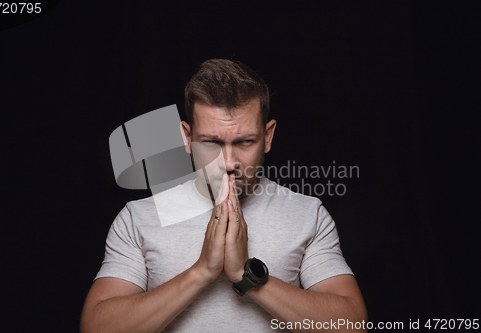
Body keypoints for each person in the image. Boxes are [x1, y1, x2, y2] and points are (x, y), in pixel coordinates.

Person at [80, 59, 367, 332]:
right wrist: (202, 271)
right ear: (186, 137)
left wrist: (250, 277)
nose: (229, 163)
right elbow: (95, 327)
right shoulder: (138, 218)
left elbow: (352, 324)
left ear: (267, 137)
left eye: (245, 142)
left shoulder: (308, 214)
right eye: (211, 143)